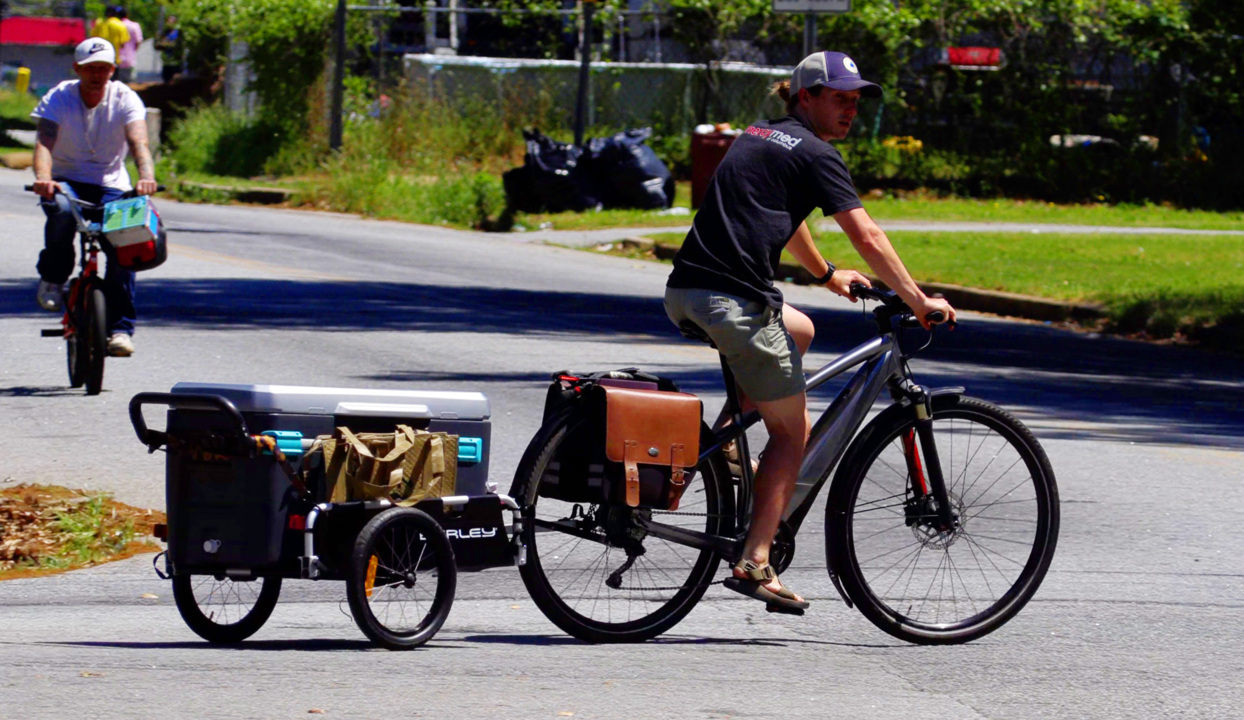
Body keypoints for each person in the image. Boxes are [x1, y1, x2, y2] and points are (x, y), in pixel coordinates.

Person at [664, 50, 955, 613]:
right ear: (806, 96)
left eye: (855, 101)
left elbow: (784, 215)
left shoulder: (759, 134)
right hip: (733, 302)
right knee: (792, 433)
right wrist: (919, 301)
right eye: (839, 98)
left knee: (797, 328)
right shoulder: (820, 155)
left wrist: (824, 274)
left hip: (686, 291)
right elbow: (866, 233)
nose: (850, 110)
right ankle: (754, 560)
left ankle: (726, 446)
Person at [30, 38, 158, 358]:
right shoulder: (59, 96)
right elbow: (45, 142)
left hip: (112, 184)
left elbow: (138, 142)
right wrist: (44, 179)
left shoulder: (125, 98)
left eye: (103, 68)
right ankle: (54, 277)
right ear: (77, 69)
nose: (97, 74)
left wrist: (146, 176)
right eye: (90, 68)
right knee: (60, 211)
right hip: (65, 183)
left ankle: (121, 329)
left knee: (126, 247)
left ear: (113, 70)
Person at [116, 7, 144, 84]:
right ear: (127, 15)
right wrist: (133, 51)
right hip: (130, 59)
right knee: (130, 82)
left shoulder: (115, 25)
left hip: (116, 59)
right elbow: (138, 41)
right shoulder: (135, 25)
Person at [155, 14, 184, 84]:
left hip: (176, 63)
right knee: (166, 82)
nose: (170, 22)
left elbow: (178, 45)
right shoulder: (164, 33)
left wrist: (167, 44)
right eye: (168, 21)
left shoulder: (179, 33)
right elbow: (157, 46)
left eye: (172, 21)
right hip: (166, 63)